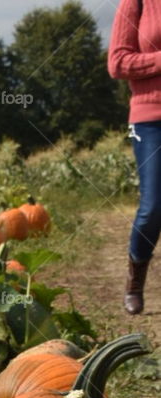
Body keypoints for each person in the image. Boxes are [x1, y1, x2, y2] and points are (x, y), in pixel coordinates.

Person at [108, 0, 161, 314]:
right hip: (150, 118)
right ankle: (135, 280)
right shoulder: (138, 2)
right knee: (154, 205)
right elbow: (117, 62)